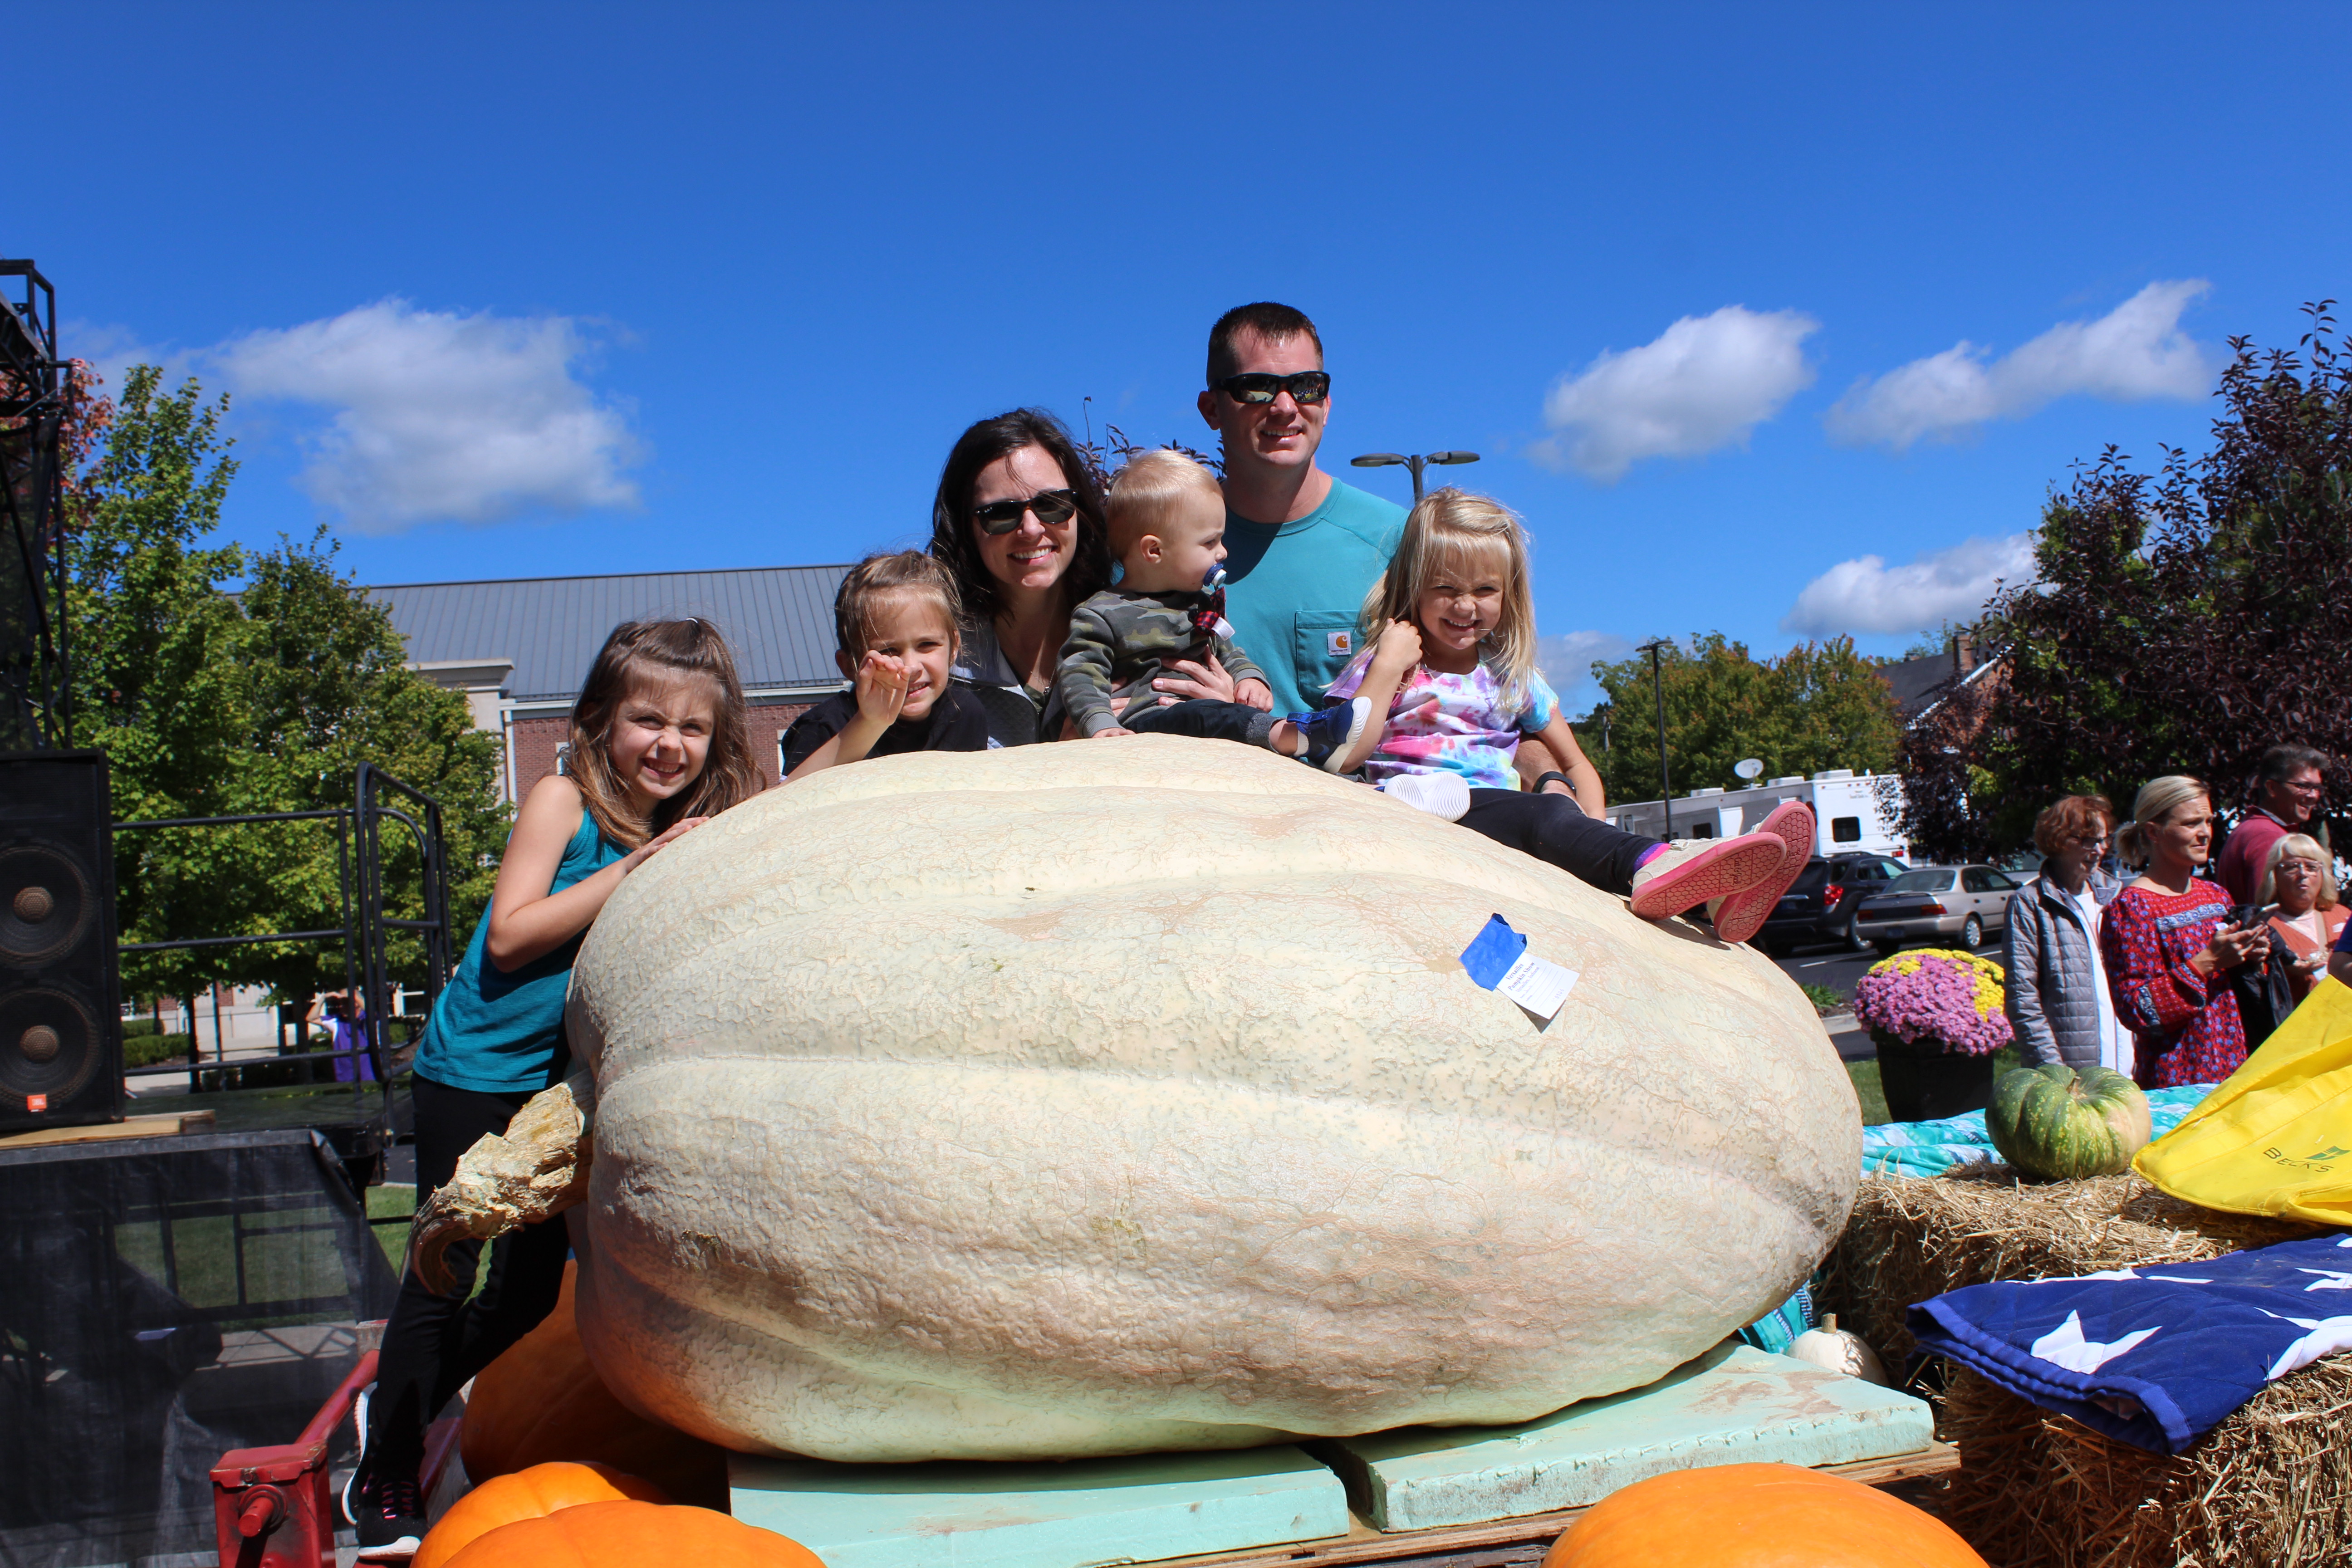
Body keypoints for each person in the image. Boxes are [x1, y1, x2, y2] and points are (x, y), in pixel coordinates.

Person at [343, 619, 764, 1557]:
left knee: (531, 1297)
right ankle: (385, 1477)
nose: (670, 744)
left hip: (552, 1091)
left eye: (693, 729)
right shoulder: (561, 799)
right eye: (647, 719)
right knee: (441, 1274)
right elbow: (509, 936)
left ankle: (394, 1406)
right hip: (474, 1076)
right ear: (598, 722)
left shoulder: (670, 827)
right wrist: (633, 871)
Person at [1318, 489, 1814, 944]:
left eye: (1486, 590)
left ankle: (1710, 900)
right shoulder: (1393, 665)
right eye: (1446, 587)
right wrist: (1386, 663)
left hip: (1509, 821)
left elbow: (1577, 767)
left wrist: (1589, 833)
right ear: (1414, 585)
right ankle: (1657, 862)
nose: (1466, 606)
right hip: (1423, 816)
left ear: (1509, 593)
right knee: (1543, 812)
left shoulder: (1511, 675)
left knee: (1551, 812)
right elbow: (1343, 755)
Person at [1056, 450, 1369, 768]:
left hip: (1205, 717)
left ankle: (1311, 743)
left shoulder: (1202, 604)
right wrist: (1101, 725)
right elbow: (1081, 674)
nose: (1223, 551)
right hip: (1144, 724)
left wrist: (1249, 679)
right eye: (1210, 542)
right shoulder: (1103, 613)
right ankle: (1296, 736)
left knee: (1213, 716)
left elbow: (1229, 651)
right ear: (1155, 550)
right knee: (1206, 715)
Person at [1196, 302, 1409, 719]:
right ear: (1211, 410)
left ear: (1326, 405)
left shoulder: (1399, 540)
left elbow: (1494, 700)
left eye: (1306, 386)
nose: (1285, 407)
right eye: (1256, 386)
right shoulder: (1154, 545)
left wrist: (1557, 777)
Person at [926, 408, 1117, 746]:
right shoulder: (930, 660)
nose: (1031, 529)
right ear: (965, 530)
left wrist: (1222, 701)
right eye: (1000, 513)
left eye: (1052, 503)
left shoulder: (1138, 628)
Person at [2100, 775, 2271, 1089]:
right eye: (2191, 823)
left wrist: (2252, 956)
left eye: (2208, 821)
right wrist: (2207, 962)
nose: (2205, 833)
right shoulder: (2132, 908)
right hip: (2178, 1081)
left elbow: (2237, 986)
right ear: (2154, 832)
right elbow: (2136, 1010)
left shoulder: (2216, 895)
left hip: (2236, 1067)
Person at [782, 552, 991, 779]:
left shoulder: (964, 713)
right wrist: (870, 723)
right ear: (849, 666)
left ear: (953, 648)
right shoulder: (825, 726)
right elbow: (784, 803)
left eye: (927, 644)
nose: (910, 668)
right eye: (887, 652)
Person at [2003, 795, 2130, 1074]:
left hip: (2133, 1070)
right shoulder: (2030, 903)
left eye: (2104, 840)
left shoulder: (2118, 897)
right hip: (2074, 1077)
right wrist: (2056, 1075)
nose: (2099, 850)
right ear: (2059, 841)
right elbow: (2023, 1001)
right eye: (2088, 841)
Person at [2215, 744, 2330, 903]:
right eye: (2303, 786)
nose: (2314, 796)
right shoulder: (2268, 837)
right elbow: (2269, 912)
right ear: (2272, 788)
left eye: (2317, 788)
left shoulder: (2255, 828)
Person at [2259, 833, 2344, 1006]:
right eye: (2291, 867)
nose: (2303, 874)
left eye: (2312, 867)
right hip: (2300, 1026)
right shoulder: (2263, 928)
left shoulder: (2342, 915)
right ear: (2275, 875)